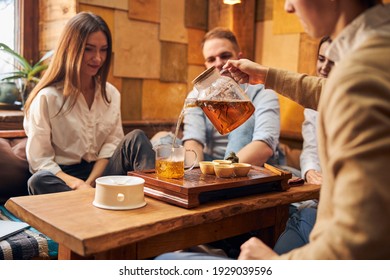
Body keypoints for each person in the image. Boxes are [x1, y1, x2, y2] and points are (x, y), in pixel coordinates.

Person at [157, 0, 390, 259]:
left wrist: (273, 264)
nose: (288, 7)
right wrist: (267, 75)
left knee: (165, 261)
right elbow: (330, 90)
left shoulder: (365, 72)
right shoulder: (372, 52)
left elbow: (361, 243)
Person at [23, 12, 155, 195]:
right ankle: (94, 204)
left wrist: (92, 184)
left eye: (103, 49)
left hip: (102, 173)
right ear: (70, 49)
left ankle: (156, 202)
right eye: (89, 49)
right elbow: (40, 160)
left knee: (137, 138)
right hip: (64, 179)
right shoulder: (46, 98)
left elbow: (110, 146)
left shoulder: (111, 94)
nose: (98, 58)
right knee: (37, 181)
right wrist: (78, 186)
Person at [152, 27, 281, 167]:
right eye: (211, 59)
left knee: (245, 123)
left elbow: (264, 146)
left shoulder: (263, 92)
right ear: (206, 65)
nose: (218, 63)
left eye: (225, 56)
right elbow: (193, 140)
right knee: (162, 139)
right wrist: (197, 173)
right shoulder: (197, 96)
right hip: (211, 163)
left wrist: (222, 171)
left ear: (239, 57)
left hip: (249, 166)